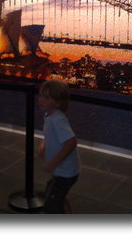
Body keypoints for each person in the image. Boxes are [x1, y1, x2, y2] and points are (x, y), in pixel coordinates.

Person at [36, 79, 80, 214]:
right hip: (62, 171)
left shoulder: (57, 119)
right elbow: (50, 134)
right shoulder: (49, 115)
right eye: (41, 96)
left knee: (51, 205)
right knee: (57, 194)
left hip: (65, 172)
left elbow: (71, 141)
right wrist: (44, 143)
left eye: (47, 98)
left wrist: (53, 162)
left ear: (58, 102)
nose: (41, 100)